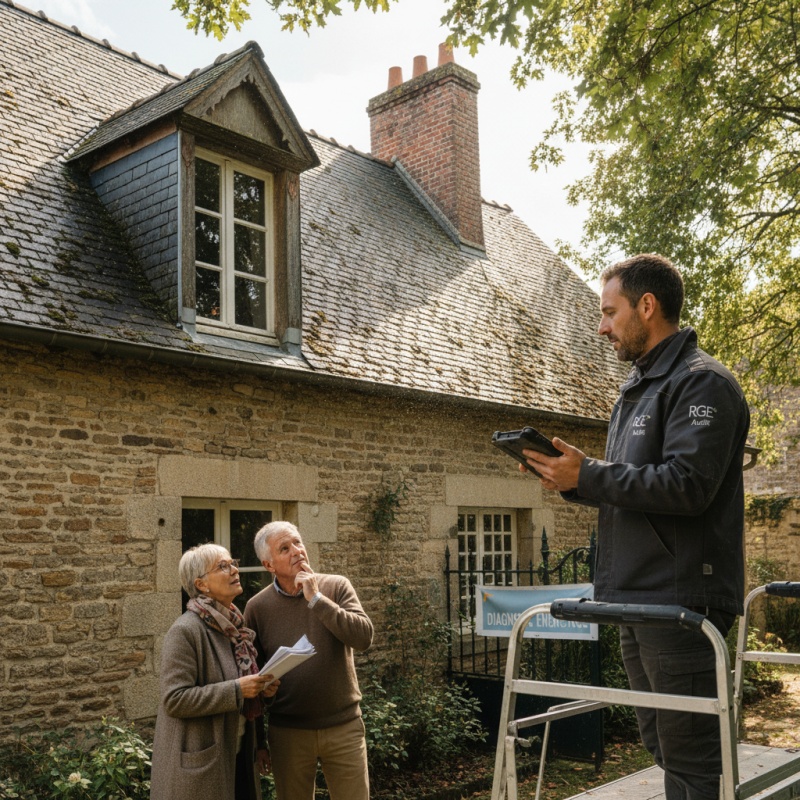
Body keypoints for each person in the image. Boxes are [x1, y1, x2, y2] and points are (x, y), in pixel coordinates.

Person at [521, 253, 750, 800]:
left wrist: (593, 473)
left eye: (608, 312)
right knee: (664, 750)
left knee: (695, 765)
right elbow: (633, 489)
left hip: (680, 606)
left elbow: (688, 486)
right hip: (632, 600)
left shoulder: (703, 384)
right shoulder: (636, 388)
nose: (601, 326)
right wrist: (575, 480)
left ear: (647, 306)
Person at [244, 521, 374, 800]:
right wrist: (259, 742)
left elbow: (363, 638)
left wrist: (316, 599)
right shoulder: (256, 608)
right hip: (288, 732)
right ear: (269, 565)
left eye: (298, 543)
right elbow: (253, 677)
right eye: (285, 548)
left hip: (344, 727)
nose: (297, 551)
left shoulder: (336, 586)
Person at [150, 543, 279, 800]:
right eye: (223, 566)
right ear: (202, 585)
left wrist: (264, 691)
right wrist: (238, 689)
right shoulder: (185, 630)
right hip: (204, 760)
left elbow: (245, 694)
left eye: (233, 563)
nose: (234, 570)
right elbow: (175, 699)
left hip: (241, 753)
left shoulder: (236, 628)